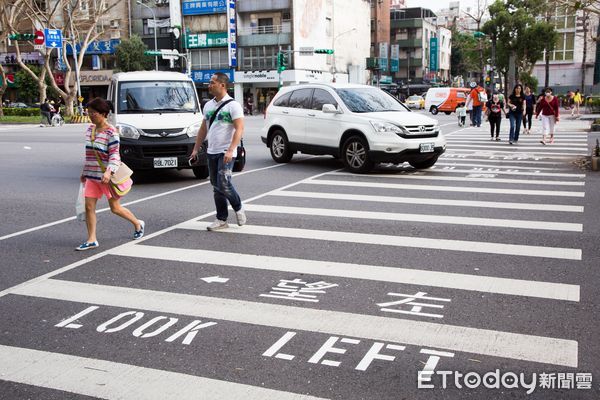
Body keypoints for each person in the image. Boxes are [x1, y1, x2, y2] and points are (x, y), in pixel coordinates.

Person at [77, 97, 144, 250]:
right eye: (89, 113)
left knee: (115, 208)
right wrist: (84, 172)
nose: (90, 115)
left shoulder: (111, 132)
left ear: (103, 114)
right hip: (92, 176)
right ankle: (91, 239)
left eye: (93, 113)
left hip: (107, 178)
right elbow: (90, 154)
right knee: (89, 207)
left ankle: (137, 224)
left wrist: (108, 172)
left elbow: (115, 155)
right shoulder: (90, 129)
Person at [190, 72, 246, 231]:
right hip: (211, 151)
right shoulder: (208, 105)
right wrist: (195, 149)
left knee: (224, 183)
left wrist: (231, 150)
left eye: (212, 82)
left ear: (222, 85)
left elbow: (239, 129)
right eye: (209, 82)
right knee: (216, 186)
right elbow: (203, 129)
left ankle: (238, 207)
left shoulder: (233, 105)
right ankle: (222, 219)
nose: (209, 85)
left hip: (226, 151)